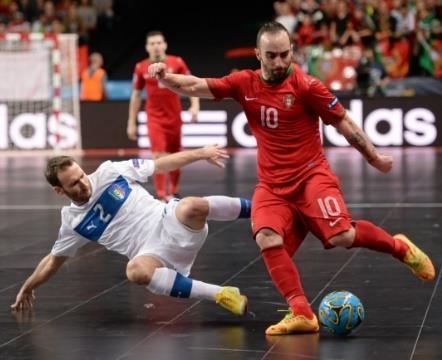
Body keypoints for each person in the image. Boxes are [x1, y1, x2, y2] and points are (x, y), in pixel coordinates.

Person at [147, 21, 436, 335]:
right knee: (266, 237)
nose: (280, 63)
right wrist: (166, 77)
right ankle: (302, 313)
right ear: (258, 54)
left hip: (313, 177)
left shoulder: (307, 86)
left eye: (285, 55)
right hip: (272, 186)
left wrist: (375, 158)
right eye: (272, 56)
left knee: (342, 237)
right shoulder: (244, 83)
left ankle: (400, 248)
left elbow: (345, 125)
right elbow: (194, 86)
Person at [11, 145, 251, 317]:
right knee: (136, 271)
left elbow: (160, 165)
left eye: (82, 175)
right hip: (155, 255)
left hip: (171, 222)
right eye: (74, 183)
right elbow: (53, 260)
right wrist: (28, 286)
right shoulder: (73, 223)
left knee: (191, 205)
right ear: (59, 191)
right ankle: (222, 294)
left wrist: (202, 153)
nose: (84, 183)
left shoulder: (110, 172)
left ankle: (261, 211)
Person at [127, 30, 200, 202]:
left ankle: (174, 192)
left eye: (159, 42)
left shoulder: (177, 62)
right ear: (147, 47)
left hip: (174, 117)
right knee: (159, 155)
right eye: (152, 43)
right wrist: (131, 122)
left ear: (165, 44)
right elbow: (136, 96)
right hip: (154, 118)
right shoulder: (140, 67)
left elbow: (192, 84)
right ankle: (161, 196)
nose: (156, 46)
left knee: (176, 155)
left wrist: (195, 105)